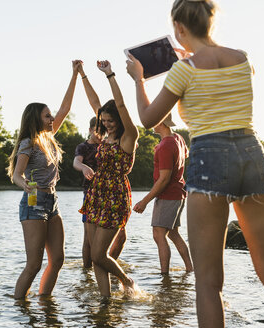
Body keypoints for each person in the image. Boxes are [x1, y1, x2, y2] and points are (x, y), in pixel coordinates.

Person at [126, 0, 264, 326]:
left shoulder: (184, 70)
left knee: (207, 283)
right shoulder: (242, 58)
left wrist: (138, 79)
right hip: (252, 153)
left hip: (210, 160)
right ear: (212, 23)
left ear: (179, 28)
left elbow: (149, 120)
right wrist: (193, 53)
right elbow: (224, 75)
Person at [7, 60, 81, 299]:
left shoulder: (48, 137)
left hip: (52, 202)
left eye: (51, 115)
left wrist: (75, 74)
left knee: (58, 259)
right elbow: (17, 174)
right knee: (34, 264)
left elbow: (65, 109)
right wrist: (25, 184)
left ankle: (44, 302)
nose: (52, 119)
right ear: (36, 119)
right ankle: (19, 306)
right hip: (33, 202)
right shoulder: (28, 143)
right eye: (47, 116)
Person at [78, 60, 139, 297]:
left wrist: (110, 74)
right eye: (103, 121)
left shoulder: (129, 137)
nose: (106, 125)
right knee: (96, 258)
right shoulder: (104, 135)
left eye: (110, 121)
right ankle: (105, 304)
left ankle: (126, 280)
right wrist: (83, 74)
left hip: (114, 197)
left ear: (120, 120)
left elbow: (121, 104)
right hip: (96, 194)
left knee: (99, 255)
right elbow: (95, 103)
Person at [133, 114, 193, 274]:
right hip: (179, 193)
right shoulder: (178, 138)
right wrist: (161, 152)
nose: (150, 123)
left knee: (159, 234)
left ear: (161, 122)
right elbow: (184, 154)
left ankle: (164, 275)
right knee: (173, 233)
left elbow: (164, 179)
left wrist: (144, 201)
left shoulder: (165, 146)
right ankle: (190, 269)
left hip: (168, 195)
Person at [73, 117, 127, 268]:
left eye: (102, 131)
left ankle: (105, 263)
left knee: (121, 236)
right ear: (90, 130)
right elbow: (76, 162)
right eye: (97, 131)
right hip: (90, 194)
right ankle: (87, 273)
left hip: (111, 194)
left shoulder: (109, 144)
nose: (100, 134)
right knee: (88, 239)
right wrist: (83, 167)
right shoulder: (83, 147)